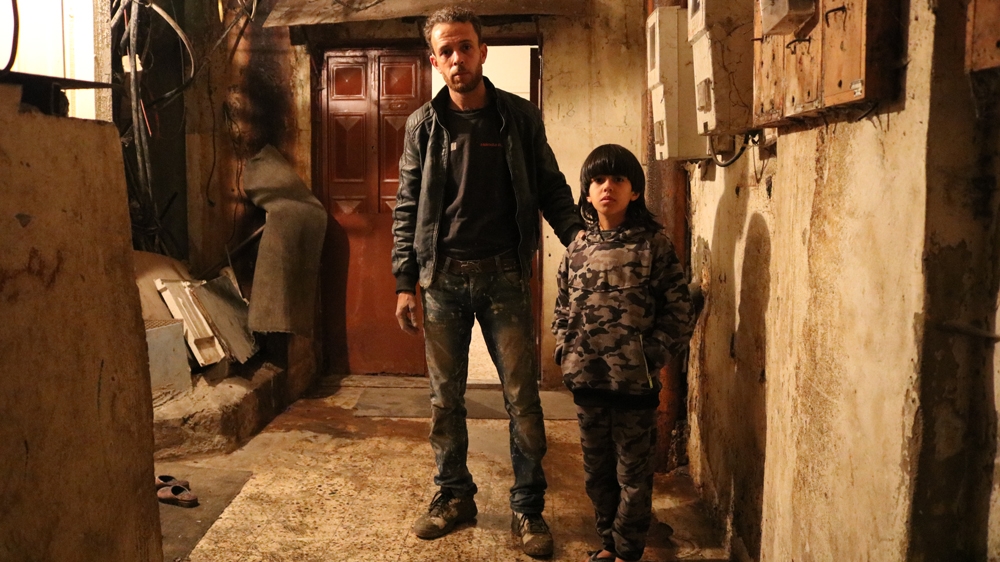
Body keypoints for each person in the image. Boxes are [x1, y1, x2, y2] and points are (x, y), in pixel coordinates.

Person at [390, 7, 585, 558]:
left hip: (504, 277)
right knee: (444, 400)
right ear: (435, 60)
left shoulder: (519, 119)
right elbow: (407, 207)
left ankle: (528, 507)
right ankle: (454, 496)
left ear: (482, 51)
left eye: (465, 47)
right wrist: (406, 280)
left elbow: (550, 186)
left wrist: (583, 243)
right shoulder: (421, 127)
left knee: (522, 398)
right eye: (446, 51)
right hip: (441, 280)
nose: (457, 59)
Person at [551, 144, 695, 562]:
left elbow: (679, 309)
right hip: (587, 381)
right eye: (597, 180)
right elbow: (562, 306)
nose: (607, 187)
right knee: (597, 474)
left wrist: (652, 356)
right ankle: (607, 543)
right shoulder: (576, 249)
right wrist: (565, 349)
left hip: (634, 384)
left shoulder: (653, 247)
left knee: (632, 475)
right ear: (586, 192)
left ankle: (627, 551)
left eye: (617, 179)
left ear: (635, 191)